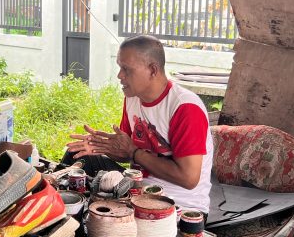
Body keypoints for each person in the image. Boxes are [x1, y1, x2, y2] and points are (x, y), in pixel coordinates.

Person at [66, 35, 213, 214]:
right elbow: (127, 154)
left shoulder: (184, 107)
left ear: (152, 70)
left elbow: (188, 178)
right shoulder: (133, 98)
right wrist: (104, 147)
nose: (119, 76)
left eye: (126, 69)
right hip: (136, 187)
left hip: (178, 204)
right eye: (120, 68)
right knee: (78, 155)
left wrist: (133, 152)